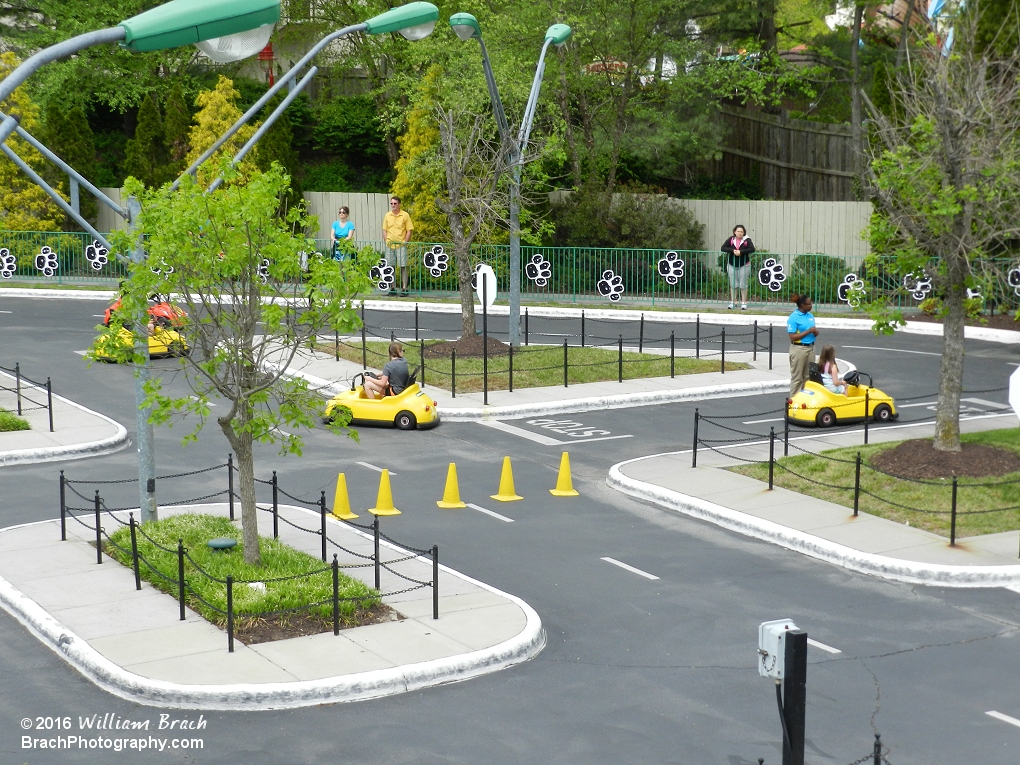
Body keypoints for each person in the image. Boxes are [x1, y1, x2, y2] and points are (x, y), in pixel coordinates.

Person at [787, 293, 818, 399]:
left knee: (808, 377)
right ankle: (794, 402)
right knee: (797, 378)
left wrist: (815, 332)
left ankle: (806, 400)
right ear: (803, 305)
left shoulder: (810, 316)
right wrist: (808, 331)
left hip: (810, 348)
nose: (811, 305)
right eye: (809, 304)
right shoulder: (793, 317)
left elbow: (813, 331)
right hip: (798, 349)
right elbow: (792, 337)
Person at [382, 196, 413, 296]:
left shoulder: (405, 215)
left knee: (403, 266)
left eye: (395, 203)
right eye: (391, 203)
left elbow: (409, 230)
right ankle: (392, 288)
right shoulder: (387, 215)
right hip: (390, 245)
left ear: (399, 204)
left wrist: (405, 242)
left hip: (400, 245)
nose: (393, 205)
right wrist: (386, 240)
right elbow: (384, 229)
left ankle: (404, 288)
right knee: (390, 267)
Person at [721, 224, 755, 310]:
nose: (739, 233)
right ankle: (733, 302)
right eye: (738, 231)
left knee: (743, 284)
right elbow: (723, 248)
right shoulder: (731, 239)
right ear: (735, 232)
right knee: (733, 284)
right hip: (732, 264)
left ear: (744, 233)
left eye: (741, 231)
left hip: (744, 265)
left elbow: (752, 249)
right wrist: (732, 250)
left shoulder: (747, 240)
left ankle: (743, 302)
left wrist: (741, 252)